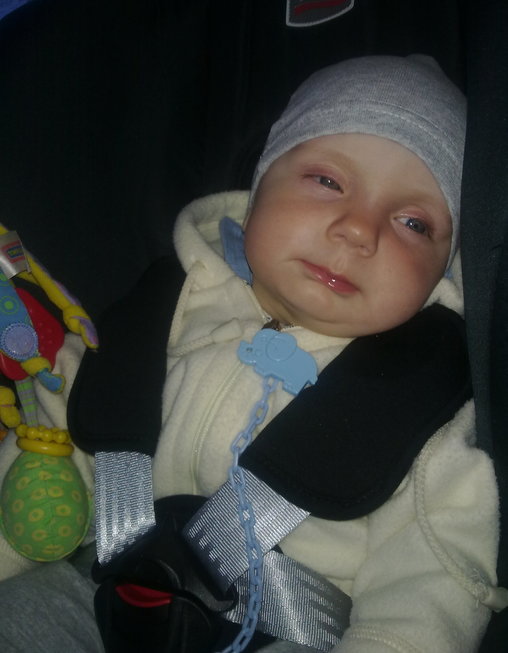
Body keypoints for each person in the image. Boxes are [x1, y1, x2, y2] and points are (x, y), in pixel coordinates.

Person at [0, 55, 506, 653]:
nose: (358, 229)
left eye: (414, 223)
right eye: (328, 182)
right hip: (106, 590)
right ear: (260, 183)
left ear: (445, 268)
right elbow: (57, 441)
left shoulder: (419, 394)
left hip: (287, 629)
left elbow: (433, 573)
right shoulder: (159, 309)